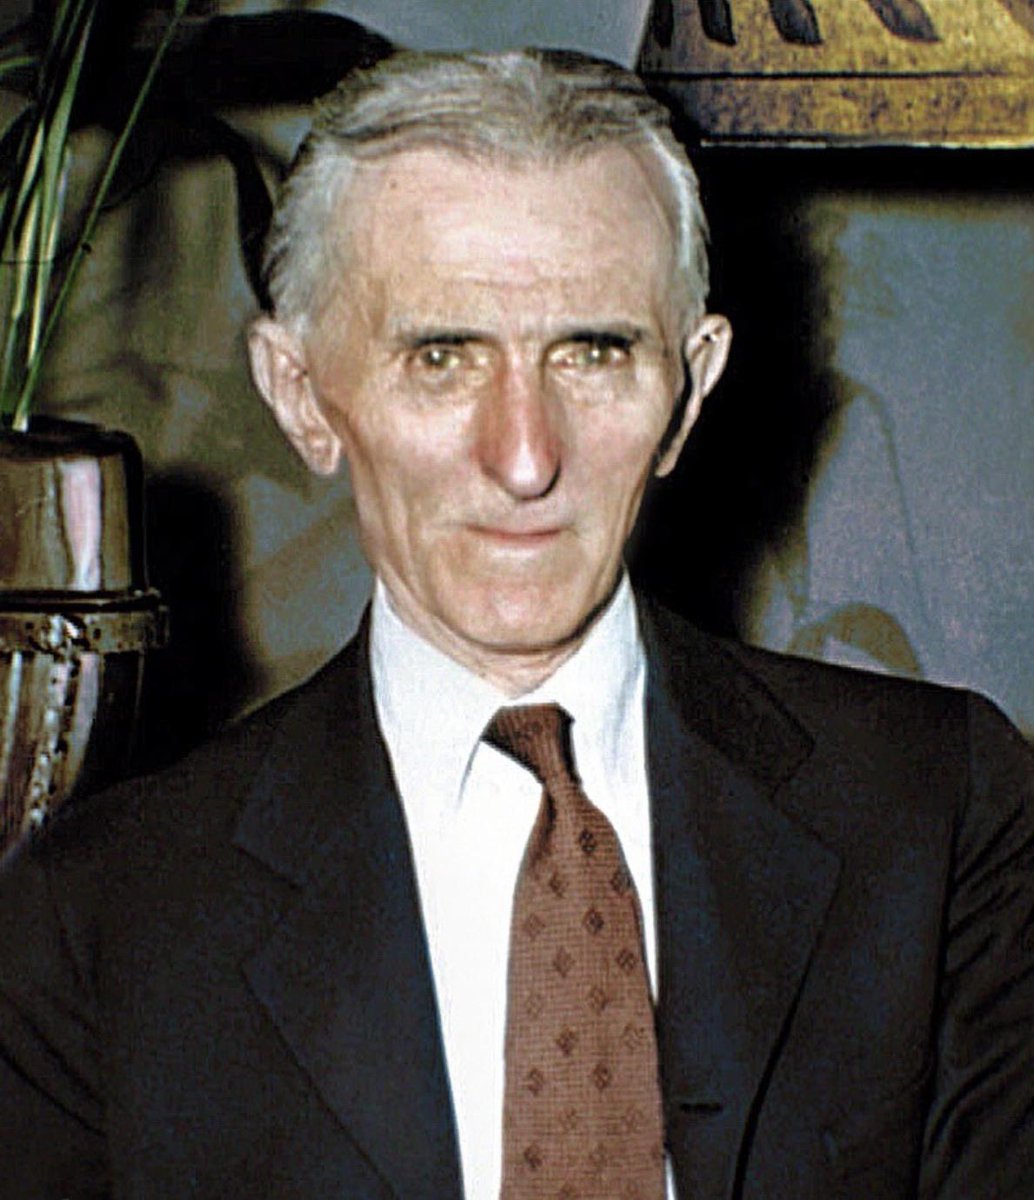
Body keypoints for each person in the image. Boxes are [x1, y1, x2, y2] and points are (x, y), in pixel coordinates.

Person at [0, 48, 1032, 1200]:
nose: (525, 457)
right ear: (301, 394)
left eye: (592, 353)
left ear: (687, 391)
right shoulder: (98, 923)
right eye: (441, 358)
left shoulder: (939, 815)